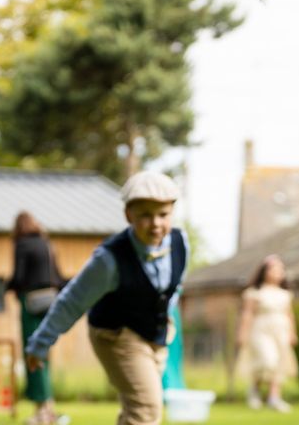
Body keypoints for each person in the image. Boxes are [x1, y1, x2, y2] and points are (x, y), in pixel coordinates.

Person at [25, 170, 188, 425]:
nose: (156, 223)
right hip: (116, 335)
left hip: (154, 335)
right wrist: (40, 344)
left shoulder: (180, 243)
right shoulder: (109, 259)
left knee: (136, 409)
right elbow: (72, 301)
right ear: (128, 215)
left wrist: (164, 320)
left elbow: (172, 289)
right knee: (146, 408)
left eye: (163, 214)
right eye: (145, 214)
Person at [6, 211, 68, 425]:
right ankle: (49, 411)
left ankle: (41, 413)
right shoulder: (46, 244)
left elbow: (19, 276)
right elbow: (59, 278)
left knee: (33, 354)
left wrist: (5, 287)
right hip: (50, 304)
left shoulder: (21, 245)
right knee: (44, 355)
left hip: (31, 304)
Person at [236, 254, 299, 413]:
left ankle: (274, 397)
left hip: (280, 330)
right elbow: (247, 314)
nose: (278, 272)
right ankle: (254, 390)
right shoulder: (254, 292)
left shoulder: (285, 294)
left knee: (279, 363)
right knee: (266, 361)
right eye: (274, 268)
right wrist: (242, 333)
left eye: (280, 269)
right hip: (261, 329)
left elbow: (289, 314)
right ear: (264, 271)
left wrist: (292, 332)